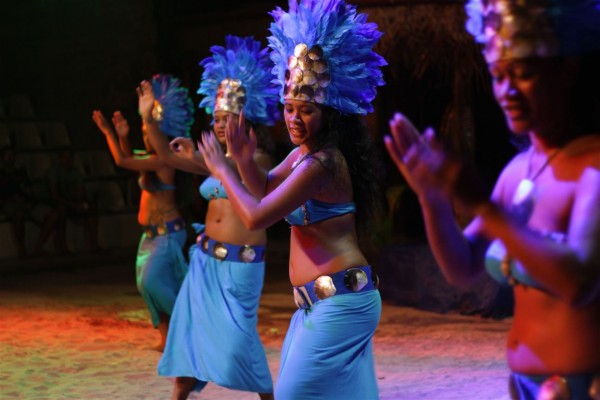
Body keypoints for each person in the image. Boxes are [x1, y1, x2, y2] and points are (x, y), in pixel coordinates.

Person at [385, 0, 600, 398]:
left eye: (523, 73)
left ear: (568, 70)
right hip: (521, 383)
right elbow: (462, 268)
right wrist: (432, 201)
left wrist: (484, 207)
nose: (507, 91)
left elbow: (578, 280)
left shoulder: (593, 165)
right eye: (498, 75)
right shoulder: (518, 170)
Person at [193, 1, 387, 398]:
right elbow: (265, 187)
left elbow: (256, 216)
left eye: (307, 111)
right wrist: (244, 161)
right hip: (319, 306)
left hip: (341, 305)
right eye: (289, 108)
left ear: (330, 113)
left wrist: (226, 169)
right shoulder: (303, 155)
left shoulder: (325, 163)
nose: (294, 119)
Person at [138, 36, 280, 400]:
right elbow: (168, 160)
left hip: (240, 268)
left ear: (246, 119)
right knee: (187, 346)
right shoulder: (215, 159)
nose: (218, 125)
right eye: (216, 119)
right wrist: (148, 119)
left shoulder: (258, 160)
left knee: (239, 342)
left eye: (227, 119)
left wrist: (205, 161)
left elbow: (231, 169)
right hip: (203, 262)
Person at [92, 74, 194, 351]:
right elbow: (131, 158)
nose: (146, 133)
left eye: (150, 131)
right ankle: (166, 337)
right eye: (144, 130)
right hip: (150, 237)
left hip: (167, 235)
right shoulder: (149, 159)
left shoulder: (164, 160)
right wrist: (124, 137)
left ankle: (190, 326)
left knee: (152, 283)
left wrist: (109, 134)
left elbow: (122, 161)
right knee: (147, 286)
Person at [0, 145, 59, 258]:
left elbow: (28, 189)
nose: (10, 158)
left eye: (12, 155)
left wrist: (29, 196)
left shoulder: (21, 172)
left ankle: (38, 247)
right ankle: (22, 250)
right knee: (18, 214)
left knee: (53, 215)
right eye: (7, 155)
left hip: (26, 202)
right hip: (9, 204)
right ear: (2, 158)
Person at [46, 146, 100, 254]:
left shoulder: (76, 172)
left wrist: (81, 203)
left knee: (91, 209)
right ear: (60, 158)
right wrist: (73, 205)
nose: (67, 160)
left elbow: (80, 192)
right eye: (65, 157)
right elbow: (54, 196)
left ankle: (94, 245)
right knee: (60, 211)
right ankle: (62, 247)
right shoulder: (54, 172)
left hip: (72, 203)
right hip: (57, 204)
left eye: (70, 157)